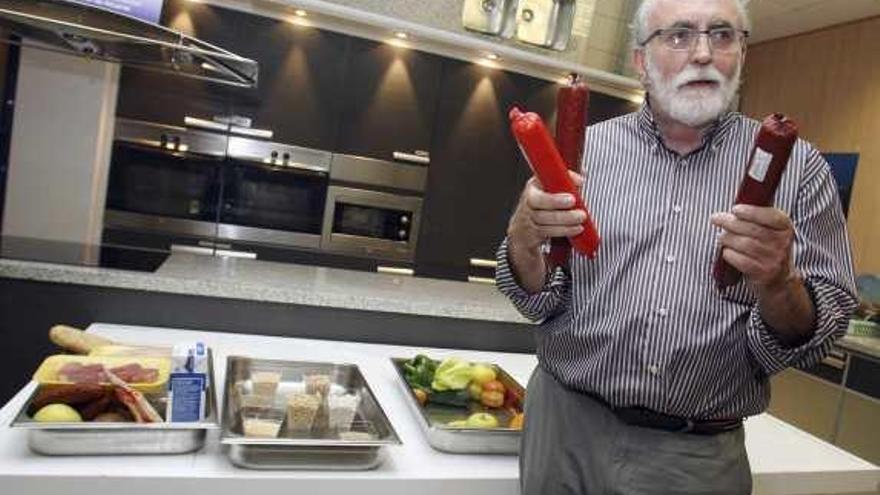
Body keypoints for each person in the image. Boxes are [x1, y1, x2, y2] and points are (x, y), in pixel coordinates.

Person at [496, 0, 858, 493]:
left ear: (742, 54)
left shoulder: (799, 170)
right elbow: (536, 298)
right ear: (642, 61)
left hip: (695, 457)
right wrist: (522, 238)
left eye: (723, 35)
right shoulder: (585, 154)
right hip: (563, 430)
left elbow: (819, 334)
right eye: (680, 35)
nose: (704, 53)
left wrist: (778, 283)